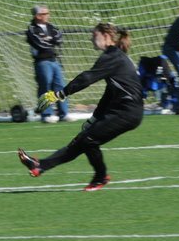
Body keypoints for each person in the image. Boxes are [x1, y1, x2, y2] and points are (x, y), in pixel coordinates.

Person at [18, 23, 143, 191]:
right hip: (124, 110)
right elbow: (109, 94)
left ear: (106, 37)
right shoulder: (114, 56)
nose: (92, 39)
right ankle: (39, 166)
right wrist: (95, 118)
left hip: (128, 111)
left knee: (88, 140)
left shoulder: (112, 56)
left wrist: (59, 94)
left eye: (95, 35)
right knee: (83, 140)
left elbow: (86, 78)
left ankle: (101, 177)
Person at [26, 5, 72, 122]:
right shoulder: (32, 29)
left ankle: (63, 113)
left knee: (60, 86)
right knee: (45, 87)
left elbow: (59, 39)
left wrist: (49, 39)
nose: (48, 16)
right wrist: (51, 41)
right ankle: (46, 114)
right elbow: (39, 44)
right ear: (38, 16)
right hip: (42, 62)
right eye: (46, 14)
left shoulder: (51, 27)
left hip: (54, 60)